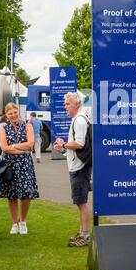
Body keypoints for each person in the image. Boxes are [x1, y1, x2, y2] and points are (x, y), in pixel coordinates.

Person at [0, 103, 39, 234]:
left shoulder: (27, 125)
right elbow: (4, 148)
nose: (13, 115)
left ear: (18, 112)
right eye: (10, 113)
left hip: (25, 165)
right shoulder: (3, 129)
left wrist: (12, 146)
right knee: (12, 195)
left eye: (15, 112)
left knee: (26, 194)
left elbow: (30, 144)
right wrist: (20, 150)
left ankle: (23, 221)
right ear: (6, 115)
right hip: (9, 165)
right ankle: (15, 223)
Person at [54, 92, 91, 247]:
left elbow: (80, 144)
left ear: (76, 104)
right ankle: (83, 233)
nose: (65, 106)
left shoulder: (80, 120)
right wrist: (62, 148)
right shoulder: (77, 119)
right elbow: (75, 147)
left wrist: (63, 144)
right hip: (78, 167)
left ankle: (85, 236)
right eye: (65, 104)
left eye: (67, 104)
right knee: (79, 202)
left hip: (80, 168)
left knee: (81, 202)